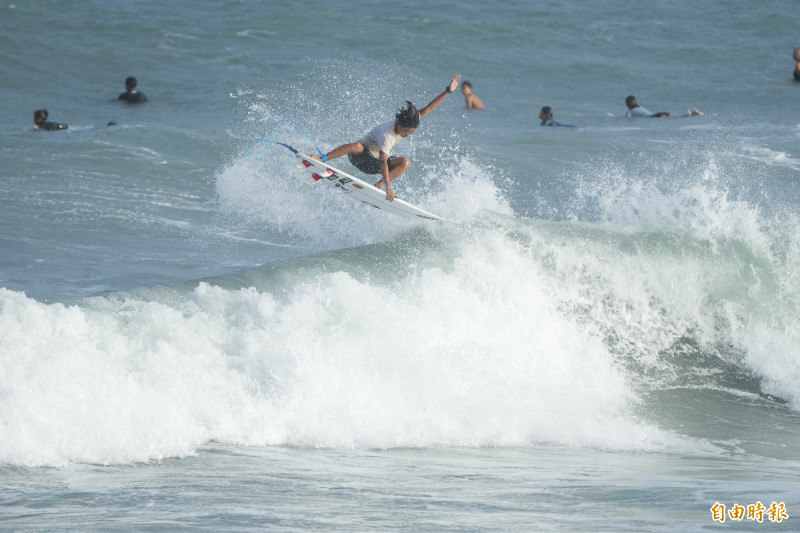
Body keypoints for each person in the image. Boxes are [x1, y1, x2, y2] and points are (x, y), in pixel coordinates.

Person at [312, 75, 461, 202]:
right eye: (407, 132)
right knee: (356, 146)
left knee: (405, 162)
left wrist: (448, 91)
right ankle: (323, 158)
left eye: (411, 132)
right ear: (399, 124)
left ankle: (378, 185)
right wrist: (390, 188)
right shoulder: (386, 134)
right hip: (361, 158)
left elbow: (429, 108)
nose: (408, 135)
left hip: (374, 165)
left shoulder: (408, 122)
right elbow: (383, 161)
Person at [625, 95, 702, 118]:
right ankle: (692, 114)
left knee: (676, 117)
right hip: (657, 114)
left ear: (628, 104)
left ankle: (692, 114)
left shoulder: (631, 111)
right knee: (676, 116)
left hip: (654, 116)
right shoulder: (640, 107)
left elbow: (627, 117)